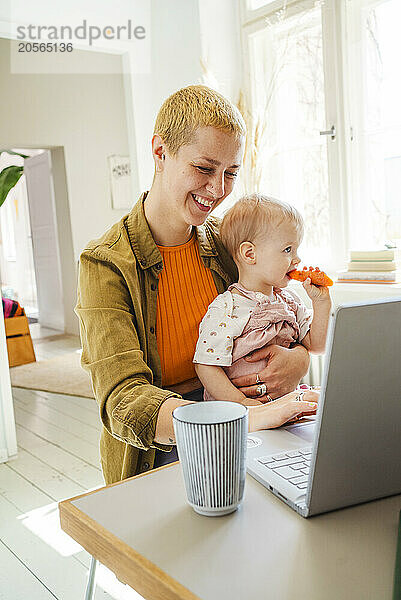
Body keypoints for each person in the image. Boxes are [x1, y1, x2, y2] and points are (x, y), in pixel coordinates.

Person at [75, 85, 318, 484]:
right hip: (166, 443)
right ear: (160, 152)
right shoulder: (105, 263)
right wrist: (240, 417)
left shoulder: (231, 241)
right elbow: (124, 401)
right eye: (205, 169)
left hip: (257, 419)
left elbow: (288, 312)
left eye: (231, 173)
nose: (218, 189)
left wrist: (300, 359)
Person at [193, 194, 332, 405]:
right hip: (240, 415)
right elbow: (205, 365)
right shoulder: (227, 308)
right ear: (250, 254)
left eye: (296, 249)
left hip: (282, 407)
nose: (297, 259)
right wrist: (243, 404)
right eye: (288, 250)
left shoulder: (290, 302)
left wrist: (321, 304)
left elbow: (317, 346)